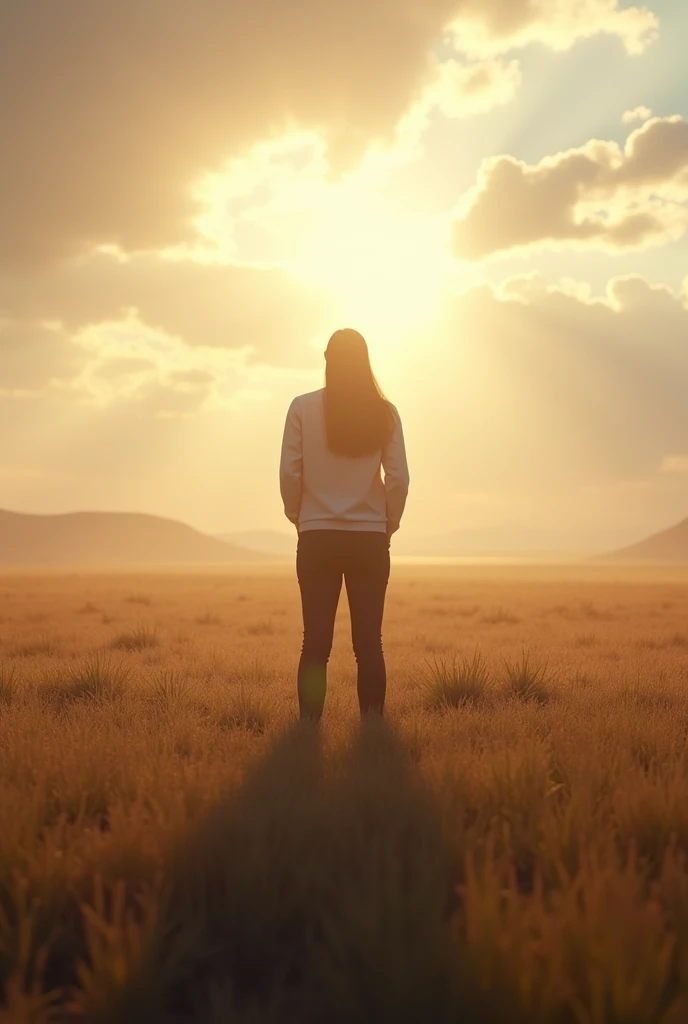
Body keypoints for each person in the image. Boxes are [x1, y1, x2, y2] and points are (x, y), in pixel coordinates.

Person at [279, 328, 410, 721]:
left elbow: (290, 472)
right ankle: (371, 729)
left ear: (326, 359)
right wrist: (388, 523)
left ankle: (309, 728)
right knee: (370, 645)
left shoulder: (302, 407)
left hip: (317, 536)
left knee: (315, 644)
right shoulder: (384, 412)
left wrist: (298, 516)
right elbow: (399, 478)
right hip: (369, 539)